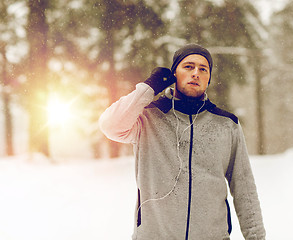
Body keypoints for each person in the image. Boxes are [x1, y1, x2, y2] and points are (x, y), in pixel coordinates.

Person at [99, 44, 266, 240]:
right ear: (174, 75)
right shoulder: (148, 117)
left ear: (208, 79)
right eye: (188, 66)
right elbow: (110, 125)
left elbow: (244, 189)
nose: (196, 73)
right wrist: (149, 87)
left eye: (203, 69)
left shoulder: (226, 124)